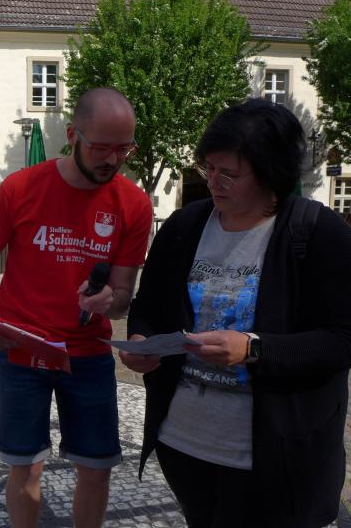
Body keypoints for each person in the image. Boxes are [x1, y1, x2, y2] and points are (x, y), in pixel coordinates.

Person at [120, 99, 351, 528]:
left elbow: (342, 341)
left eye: (229, 173)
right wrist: (140, 341)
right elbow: (147, 306)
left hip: (277, 460)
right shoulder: (184, 226)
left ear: (271, 173)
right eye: (208, 168)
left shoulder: (320, 234)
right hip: (184, 444)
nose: (213, 182)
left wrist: (252, 349)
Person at [0, 88, 153, 528]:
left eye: (123, 149)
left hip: (88, 354)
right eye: (101, 147)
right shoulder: (22, 187)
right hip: (23, 350)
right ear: (72, 136)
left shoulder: (134, 204)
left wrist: (108, 301)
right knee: (25, 466)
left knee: (97, 467)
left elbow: (122, 298)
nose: (113, 159)